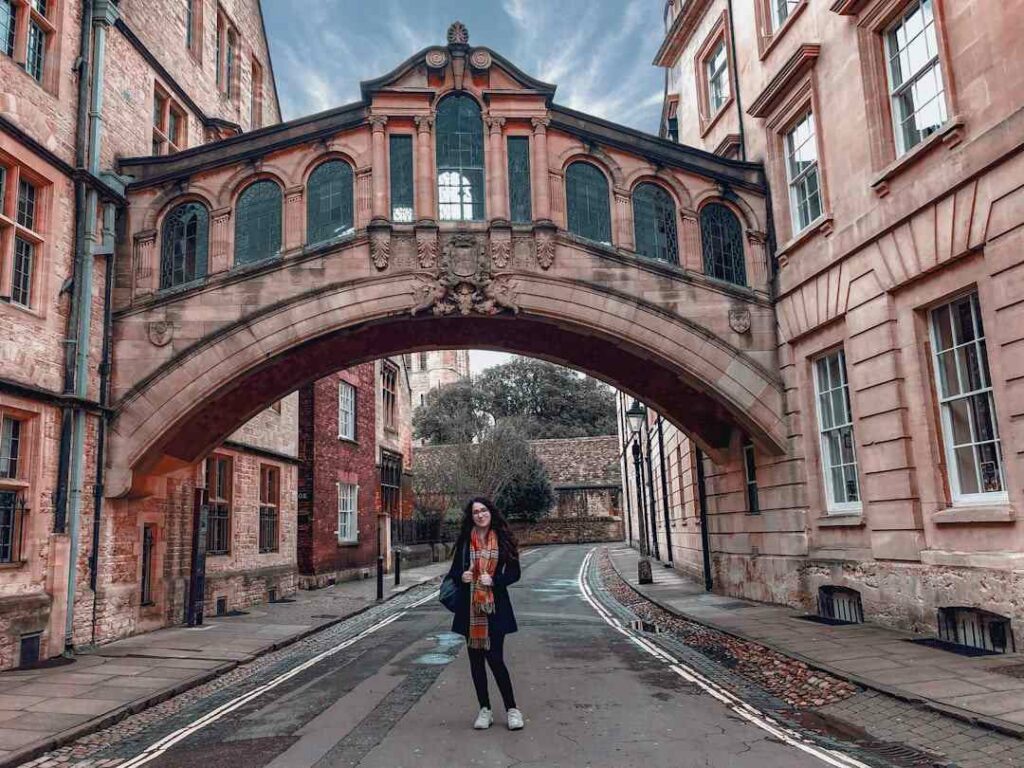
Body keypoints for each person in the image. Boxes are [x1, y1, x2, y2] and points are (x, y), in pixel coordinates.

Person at [446, 496, 524, 731]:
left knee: (495, 659)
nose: (479, 515)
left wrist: (495, 580)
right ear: (471, 517)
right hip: (469, 609)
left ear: (491, 512)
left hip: (495, 607)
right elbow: (454, 572)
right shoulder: (464, 542)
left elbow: (514, 573)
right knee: (476, 661)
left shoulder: (502, 539)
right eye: (475, 512)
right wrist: (463, 577)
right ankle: (485, 709)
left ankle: (512, 709)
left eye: (483, 510)